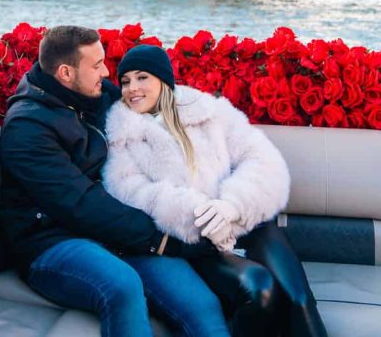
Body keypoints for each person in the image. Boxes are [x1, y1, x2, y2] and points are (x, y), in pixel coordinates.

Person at [0, 26, 228, 337]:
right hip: (51, 240)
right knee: (121, 285)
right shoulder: (27, 129)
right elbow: (81, 204)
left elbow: (151, 102)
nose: (106, 73)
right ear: (66, 72)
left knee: (202, 305)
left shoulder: (91, 94)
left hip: (113, 233)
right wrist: (163, 241)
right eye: (96, 66)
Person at [104, 45, 329, 337]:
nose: (132, 88)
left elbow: (262, 159)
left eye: (142, 77)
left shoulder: (210, 112)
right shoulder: (123, 134)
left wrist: (231, 207)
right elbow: (129, 191)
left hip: (249, 223)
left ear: (163, 80)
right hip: (199, 243)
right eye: (125, 81)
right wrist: (201, 215)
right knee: (258, 287)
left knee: (298, 300)